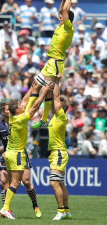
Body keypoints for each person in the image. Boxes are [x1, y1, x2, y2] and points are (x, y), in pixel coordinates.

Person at [0, 80, 53, 219]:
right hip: (16, 154)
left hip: (9, 153)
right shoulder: (20, 119)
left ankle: (7, 209)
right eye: (20, 106)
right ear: (17, 110)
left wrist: (32, 88)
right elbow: (34, 108)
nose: (23, 106)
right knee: (16, 183)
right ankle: (5, 209)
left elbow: (24, 100)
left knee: (13, 182)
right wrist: (43, 92)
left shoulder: (13, 117)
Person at [31, 0, 75, 129]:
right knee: (36, 85)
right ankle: (33, 115)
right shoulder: (59, 26)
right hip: (50, 61)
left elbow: (65, 10)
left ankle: (45, 119)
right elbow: (62, 9)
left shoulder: (68, 28)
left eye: (61, 15)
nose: (59, 16)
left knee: (50, 91)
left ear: (67, 18)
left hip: (55, 63)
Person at [0, 102, 41, 219]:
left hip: (19, 153)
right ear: (3, 112)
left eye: (10, 109)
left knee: (25, 181)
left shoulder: (17, 118)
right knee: (4, 182)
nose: (9, 111)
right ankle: (6, 209)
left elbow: (27, 104)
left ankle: (35, 206)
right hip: (8, 155)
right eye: (6, 110)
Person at [47, 73, 71, 220]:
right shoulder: (56, 116)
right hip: (56, 152)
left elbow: (56, 99)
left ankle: (60, 211)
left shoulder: (61, 114)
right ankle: (66, 211)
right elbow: (53, 100)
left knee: (54, 182)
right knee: (60, 183)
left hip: (58, 152)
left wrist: (56, 81)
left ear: (61, 107)